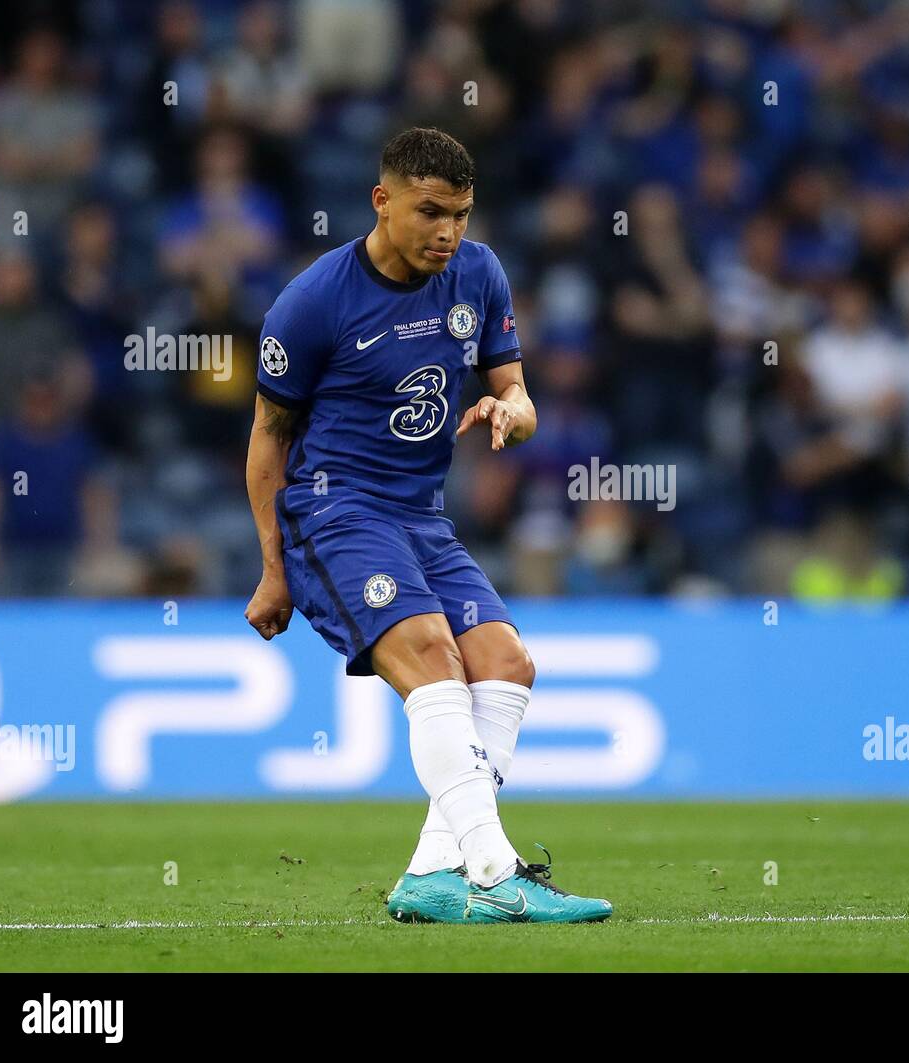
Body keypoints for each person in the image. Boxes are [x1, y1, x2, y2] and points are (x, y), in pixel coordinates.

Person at [243, 127, 611, 924]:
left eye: (463, 215)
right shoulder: (311, 304)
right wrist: (274, 567)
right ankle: (494, 871)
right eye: (431, 211)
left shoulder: (479, 274)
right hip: (335, 511)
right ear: (382, 201)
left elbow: (520, 394)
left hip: (421, 514)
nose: (448, 231)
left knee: (507, 666)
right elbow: (268, 441)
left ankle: (428, 874)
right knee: (436, 661)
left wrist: (510, 410)